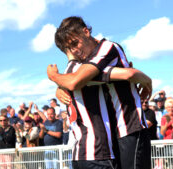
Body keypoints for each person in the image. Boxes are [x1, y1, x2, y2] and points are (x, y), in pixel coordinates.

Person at [48, 16, 151, 169]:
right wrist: (61, 87)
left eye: (76, 43)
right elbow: (75, 79)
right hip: (113, 133)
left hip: (130, 126)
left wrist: (54, 76)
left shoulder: (107, 48)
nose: (75, 50)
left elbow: (75, 80)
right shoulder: (85, 63)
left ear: (86, 32)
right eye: (70, 47)